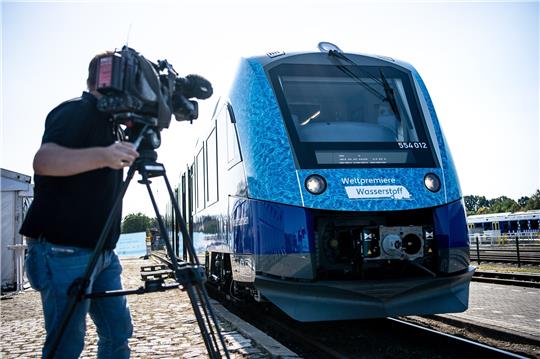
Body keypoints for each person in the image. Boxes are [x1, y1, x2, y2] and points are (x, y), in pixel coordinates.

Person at [20, 51, 139, 358]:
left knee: (117, 332)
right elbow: (43, 161)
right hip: (63, 250)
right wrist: (104, 155)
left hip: (102, 253)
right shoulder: (76, 111)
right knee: (67, 345)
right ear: (107, 78)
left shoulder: (112, 123)